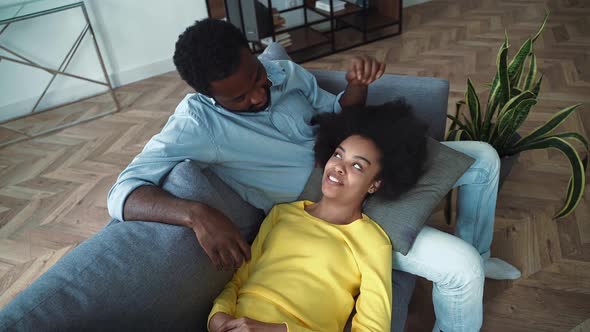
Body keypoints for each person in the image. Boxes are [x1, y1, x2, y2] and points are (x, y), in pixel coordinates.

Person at [0, 18, 520, 331]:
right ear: (207, 94)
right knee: (455, 268)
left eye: (255, 76)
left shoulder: (278, 71)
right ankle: (468, 269)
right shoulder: (194, 125)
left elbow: (335, 111)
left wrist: (357, 87)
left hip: (352, 159)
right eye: (240, 95)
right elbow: (120, 193)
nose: (258, 93)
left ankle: (483, 249)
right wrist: (195, 212)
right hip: (326, 210)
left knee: (484, 159)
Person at [208, 101, 428, 332]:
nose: (339, 167)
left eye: (357, 166)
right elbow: (239, 279)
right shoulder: (282, 213)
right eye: (337, 155)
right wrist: (218, 318)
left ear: (375, 184)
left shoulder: (372, 241)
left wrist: (277, 330)